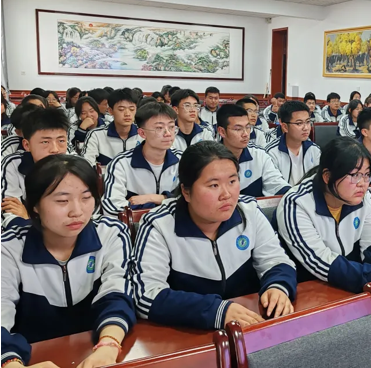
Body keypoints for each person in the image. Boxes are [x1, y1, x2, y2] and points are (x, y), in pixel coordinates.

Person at [132, 142, 296, 331]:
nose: (226, 194)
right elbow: (146, 295)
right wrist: (216, 311)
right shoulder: (159, 225)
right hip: (191, 331)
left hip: (251, 322)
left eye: (232, 182)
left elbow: (276, 260)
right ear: (186, 192)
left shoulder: (248, 211)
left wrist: (278, 287)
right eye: (214, 185)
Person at [1, 155, 135, 368]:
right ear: (34, 205)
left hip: (95, 348)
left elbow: (116, 293)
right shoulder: (9, 248)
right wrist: (11, 363)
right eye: (62, 201)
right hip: (31, 356)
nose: (77, 212)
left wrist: (109, 345)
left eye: (86, 197)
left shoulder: (110, 233)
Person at [275, 137, 371, 293]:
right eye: (355, 175)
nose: (362, 183)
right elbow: (318, 259)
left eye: (367, 174)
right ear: (327, 177)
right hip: (309, 287)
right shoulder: (297, 204)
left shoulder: (362, 199)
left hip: (350, 280)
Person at [102, 103, 182, 216]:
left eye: (171, 127)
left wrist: (157, 198)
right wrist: (166, 204)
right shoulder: (121, 163)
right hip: (135, 226)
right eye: (159, 128)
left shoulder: (182, 160)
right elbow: (111, 207)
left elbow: (193, 200)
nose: (168, 134)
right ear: (142, 133)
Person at [2, 108, 70, 226]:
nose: (55, 149)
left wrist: (29, 218)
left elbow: (83, 215)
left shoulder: (75, 166)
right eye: (45, 142)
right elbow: (9, 212)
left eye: (61, 140)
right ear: (27, 145)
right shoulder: (13, 164)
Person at [217, 104, 290, 197]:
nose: (245, 134)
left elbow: (277, 184)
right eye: (238, 129)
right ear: (222, 131)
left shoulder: (259, 155)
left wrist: (292, 195)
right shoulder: (210, 160)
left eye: (248, 127)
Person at [82, 89, 142, 168]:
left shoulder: (143, 135)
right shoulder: (96, 135)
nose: (127, 114)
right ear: (110, 111)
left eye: (132, 109)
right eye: (121, 109)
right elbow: (87, 164)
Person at [265, 102, 321, 186]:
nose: (306, 128)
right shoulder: (271, 152)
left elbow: (318, 181)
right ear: (285, 127)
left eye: (308, 122)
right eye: (299, 123)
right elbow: (274, 186)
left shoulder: (314, 150)